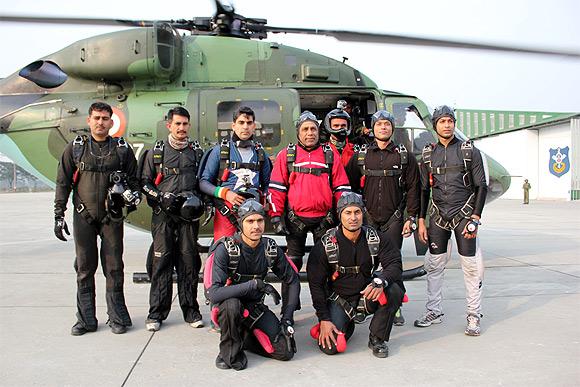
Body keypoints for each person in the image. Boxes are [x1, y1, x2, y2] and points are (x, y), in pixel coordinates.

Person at [54, 102, 141, 335]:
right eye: (96, 118)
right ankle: (85, 319)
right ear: (89, 121)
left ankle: (117, 317)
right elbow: (63, 182)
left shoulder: (122, 150)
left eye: (105, 118)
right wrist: (58, 214)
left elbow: (135, 181)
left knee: (114, 269)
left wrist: (130, 197)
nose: (101, 122)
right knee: (84, 268)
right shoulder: (76, 148)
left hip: (112, 217)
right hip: (84, 215)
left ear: (112, 122)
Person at [414, 105, 487, 336]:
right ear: (435, 125)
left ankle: (474, 315)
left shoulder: (469, 151)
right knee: (434, 265)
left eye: (450, 121)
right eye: (443, 121)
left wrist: (475, 218)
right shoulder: (427, 154)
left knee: (471, 267)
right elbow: (424, 190)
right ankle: (434, 310)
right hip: (437, 217)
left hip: (464, 216)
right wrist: (422, 220)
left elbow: (481, 186)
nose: (447, 125)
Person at [268, 110, 351, 311]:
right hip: (295, 220)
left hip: (324, 220)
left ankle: (327, 307)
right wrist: (276, 216)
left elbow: (341, 187)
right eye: (305, 129)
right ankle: (289, 308)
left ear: (318, 130)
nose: (310, 133)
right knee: (292, 265)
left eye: (313, 128)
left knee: (326, 264)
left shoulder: (330, 154)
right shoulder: (286, 155)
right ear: (298, 132)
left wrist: (342, 215)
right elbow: (276, 188)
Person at [345, 110, 420, 326]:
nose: (383, 128)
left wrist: (411, 217)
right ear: (373, 128)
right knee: (362, 263)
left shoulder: (404, 156)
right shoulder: (361, 156)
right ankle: (361, 303)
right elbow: (347, 186)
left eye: (387, 124)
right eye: (379, 125)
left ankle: (394, 307)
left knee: (392, 263)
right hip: (366, 218)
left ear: (392, 128)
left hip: (394, 219)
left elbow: (414, 188)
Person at [307, 192, 404, 358]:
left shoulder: (376, 238)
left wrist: (381, 281)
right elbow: (315, 285)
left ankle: (377, 338)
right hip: (338, 299)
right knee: (331, 348)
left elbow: (395, 264)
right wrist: (324, 319)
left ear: (363, 213)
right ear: (340, 215)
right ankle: (346, 324)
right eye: (348, 213)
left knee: (394, 290)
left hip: (367, 293)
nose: (353, 217)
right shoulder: (325, 245)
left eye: (357, 212)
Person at [207, 199, 300, 370]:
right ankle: (228, 349)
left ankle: (243, 338)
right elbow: (213, 294)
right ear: (241, 224)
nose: (256, 226)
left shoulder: (269, 247)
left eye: (259, 221)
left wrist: (287, 318)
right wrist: (254, 284)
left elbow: (292, 280)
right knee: (232, 306)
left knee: (285, 351)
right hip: (228, 306)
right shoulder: (226, 248)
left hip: (254, 308)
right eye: (250, 221)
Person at [140, 107, 205, 332]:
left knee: (189, 262)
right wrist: (160, 197)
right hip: (163, 216)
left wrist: (200, 201)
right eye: (177, 124)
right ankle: (156, 312)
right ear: (169, 125)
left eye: (185, 124)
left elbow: (204, 181)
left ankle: (191, 310)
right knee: (162, 262)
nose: (181, 128)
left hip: (188, 218)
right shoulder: (156, 152)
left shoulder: (196, 152)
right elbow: (144, 183)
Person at [199, 106, 271, 240]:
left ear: (254, 126)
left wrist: (265, 199)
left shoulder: (260, 154)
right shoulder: (219, 151)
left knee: (251, 253)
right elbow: (203, 182)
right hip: (227, 211)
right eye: (241, 122)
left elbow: (268, 184)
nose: (245, 127)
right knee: (223, 250)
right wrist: (226, 193)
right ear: (233, 126)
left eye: (249, 123)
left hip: (253, 212)